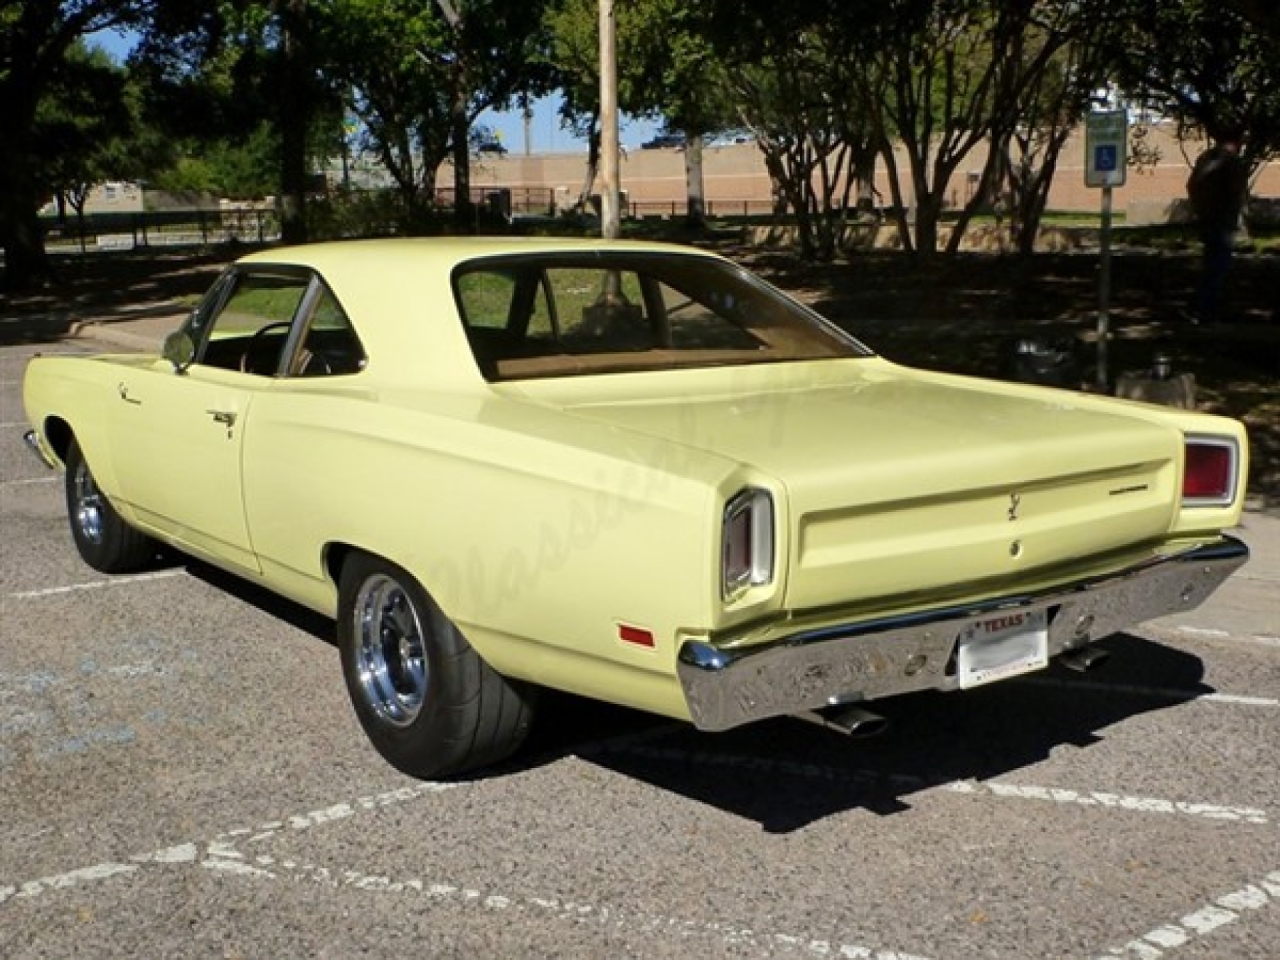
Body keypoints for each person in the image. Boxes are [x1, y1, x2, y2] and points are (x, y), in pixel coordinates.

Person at [1185, 131, 1250, 324]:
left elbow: (1191, 186)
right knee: (1218, 267)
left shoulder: (1205, 158)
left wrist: (1200, 210)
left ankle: (1203, 307)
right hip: (1222, 221)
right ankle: (1206, 310)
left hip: (1207, 220)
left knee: (1211, 265)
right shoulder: (1231, 162)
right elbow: (1236, 190)